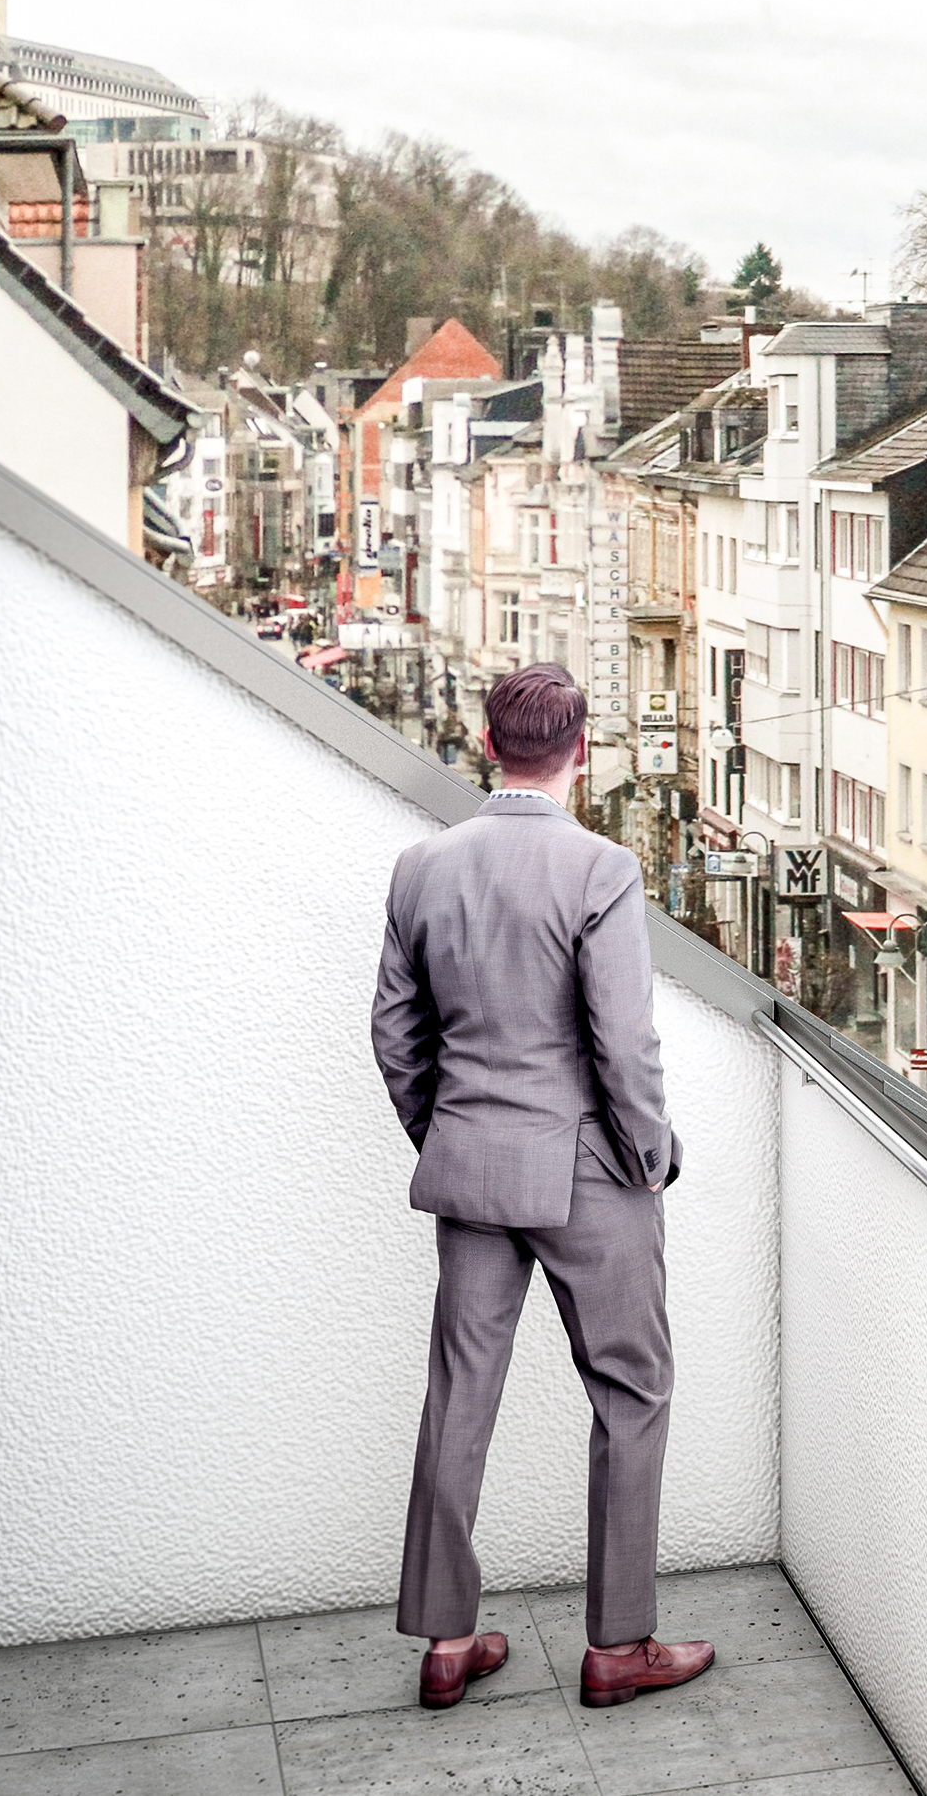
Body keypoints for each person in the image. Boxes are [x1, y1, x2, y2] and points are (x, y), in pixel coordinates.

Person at [371, 663, 714, 1716]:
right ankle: (616, 1647)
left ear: (488, 743)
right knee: (630, 1390)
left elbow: (395, 1034)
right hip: (585, 1172)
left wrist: (449, 1132)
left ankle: (445, 1640)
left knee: (458, 1392)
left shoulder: (421, 864)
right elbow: (622, 1040)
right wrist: (649, 1152)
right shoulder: (599, 867)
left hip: (470, 1164)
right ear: (582, 750)